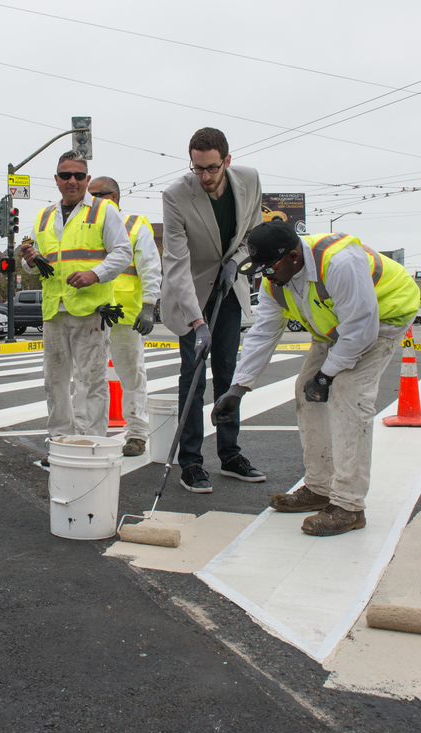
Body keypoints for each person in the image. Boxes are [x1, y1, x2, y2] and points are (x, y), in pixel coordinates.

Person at [211, 221, 419, 536]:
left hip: (384, 317)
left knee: (350, 394)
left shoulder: (339, 263)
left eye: (269, 269)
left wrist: (327, 375)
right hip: (337, 329)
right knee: (305, 391)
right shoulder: (276, 282)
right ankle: (320, 488)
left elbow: (361, 330)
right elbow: (263, 333)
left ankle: (349, 505)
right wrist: (238, 389)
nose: (265, 278)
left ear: (294, 257)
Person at [161, 127, 265, 493]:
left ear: (227, 161)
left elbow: (253, 232)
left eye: (211, 168)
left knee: (227, 372)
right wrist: (196, 321)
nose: (204, 176)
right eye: (197, 169)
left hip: (229, 286)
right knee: (193, 376)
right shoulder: (175, 195)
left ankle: (230, 454)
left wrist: (236, 262)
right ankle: (191, 461)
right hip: (189, 289)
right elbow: (175, 262)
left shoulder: (249, 180)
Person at [18, 152, 132, 458]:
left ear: (87, 179)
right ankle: (60, 442)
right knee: (54, 381)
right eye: (66, 175)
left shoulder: (103, 211)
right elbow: (35, 263)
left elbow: (123, 253)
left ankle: (91, 445)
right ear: (56, 179)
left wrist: (94, 274)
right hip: (55, 311)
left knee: (91, 380)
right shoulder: (43, 217)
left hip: (90, 312)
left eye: (79, 176)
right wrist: (30, 260)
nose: (72, 181)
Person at [71, 176, 162, 457]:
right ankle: (84, 434)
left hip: (124, 316)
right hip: (92, 313)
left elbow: (149, 267)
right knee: (86, 377)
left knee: (131, 374)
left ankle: (136, 433)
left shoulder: (135, 226)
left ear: (115, 198)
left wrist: (149, 305)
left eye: (98, 195)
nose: (92, 201)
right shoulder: (85, 226)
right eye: (90, 195)